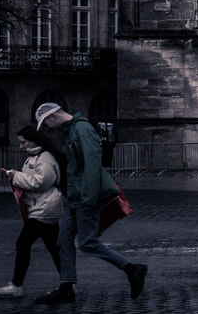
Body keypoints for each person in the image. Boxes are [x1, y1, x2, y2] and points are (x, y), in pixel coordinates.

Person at [30, 103, 147, 305]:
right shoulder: (72, 130)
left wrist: (88, 198)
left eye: (47, 124)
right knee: (63, 240)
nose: (49, 129)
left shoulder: (82, 129)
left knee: (87, 243)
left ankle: (132, 269)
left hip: (84, 196)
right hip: (75, 197)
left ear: (52, 117)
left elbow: (92, 165)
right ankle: (67, 287)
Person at [0, 129, 65, 297]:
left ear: (34, 141)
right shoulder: (36, 157)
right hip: (44, 207)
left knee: (23, 244)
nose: (21, 146)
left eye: (23, 142)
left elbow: (40, 182)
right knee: (54, 248)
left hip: (44, 209)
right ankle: (68, 283)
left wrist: (15, 176)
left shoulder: (44, 158)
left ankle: (17, 285)